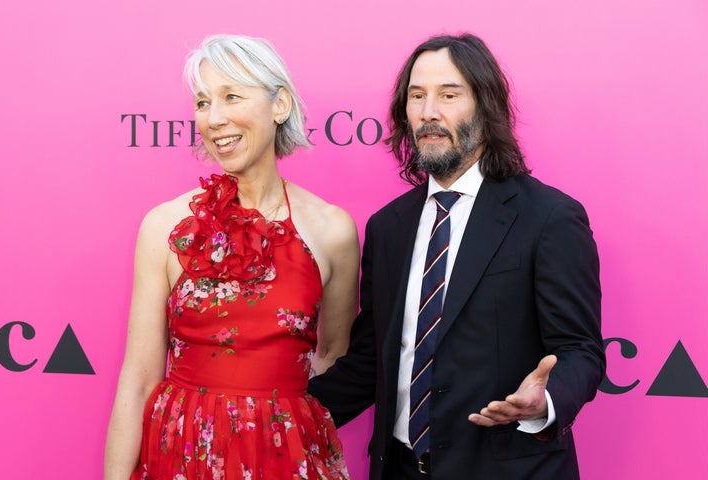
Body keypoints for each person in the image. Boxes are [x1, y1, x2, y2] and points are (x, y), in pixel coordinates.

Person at [308, 33, 605, 479]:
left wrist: (545, 400)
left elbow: (581, 350)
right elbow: (373, 361)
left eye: (449, 95)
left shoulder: (549, 218)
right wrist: (273, 413)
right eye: (417, 96)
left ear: (486, 107)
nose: (429, 111)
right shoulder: (388, 227)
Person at [105, 34, 359, 480]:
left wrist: (278, 424)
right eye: (203, 103)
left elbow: (332, 355)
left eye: (231, 96)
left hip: (285, 455)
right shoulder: (165, 226)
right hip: (184, 452)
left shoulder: (332, 229)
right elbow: (139, 377)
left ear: (279, 105)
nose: (214, 118)